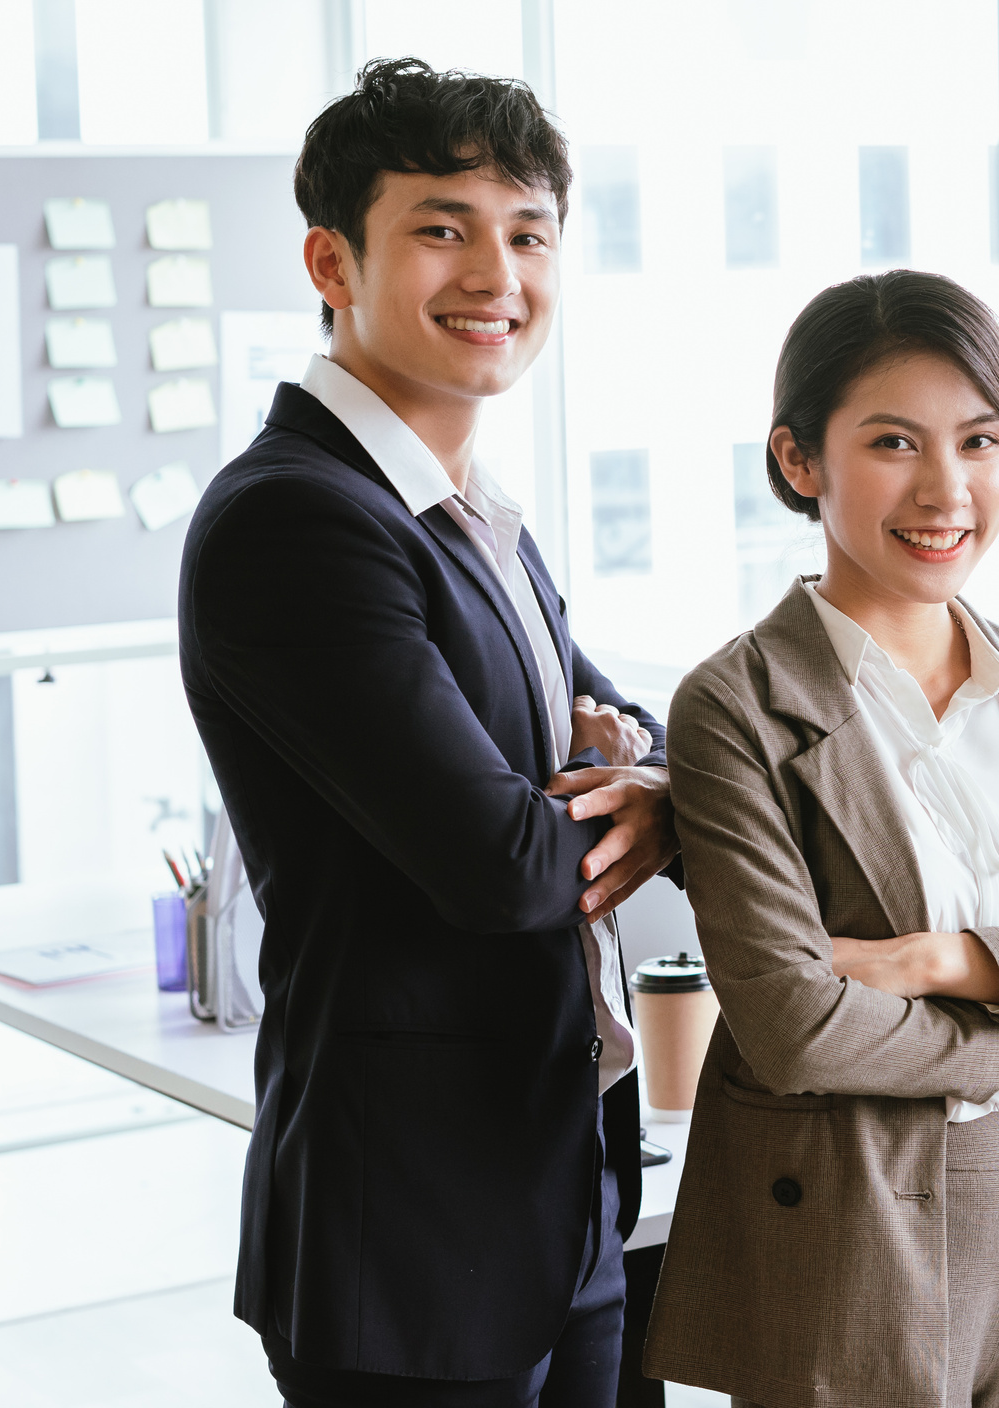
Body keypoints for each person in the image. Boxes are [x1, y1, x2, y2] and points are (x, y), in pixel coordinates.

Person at [178, 58, 681, 1407]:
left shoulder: (467, 510)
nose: (497, 275)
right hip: (406, 1235)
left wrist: (635, 768)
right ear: (331, 260)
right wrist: (659, 803)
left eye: (529, 235)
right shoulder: (299, 522)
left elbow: (617, 724)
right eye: (443, 228)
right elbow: (506, 863)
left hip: (556, 1196)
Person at [637, 270, 999, 1408]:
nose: (947, 487)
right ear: (800, 460)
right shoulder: (737, 702)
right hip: (847, 1216)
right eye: (895, 442)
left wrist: (944, 961)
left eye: (980, 440)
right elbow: (797, 1023)